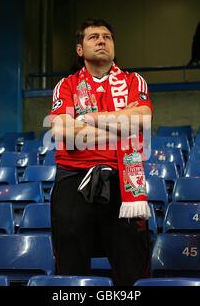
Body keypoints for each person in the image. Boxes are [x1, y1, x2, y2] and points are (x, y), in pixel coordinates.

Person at [49, 18, 153, 286]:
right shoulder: (67, 85)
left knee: (131, 262)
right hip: (74, 176)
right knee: (70, 263)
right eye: (93, 36)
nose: (101, 40)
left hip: (123, 178)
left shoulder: (133, 81)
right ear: (80, 50)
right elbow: (61, 131)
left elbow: (141, 119)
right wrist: (120, 124)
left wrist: (89, 119)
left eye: (107, 36)